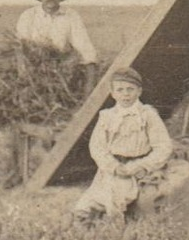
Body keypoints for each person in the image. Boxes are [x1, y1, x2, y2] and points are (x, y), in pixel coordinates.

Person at [72, 67, 173, 226]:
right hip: (112, 169)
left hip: (136, 170)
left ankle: (117, 234)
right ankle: (87, 230)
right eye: (120, 90)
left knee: (114, 201)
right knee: (85, 205)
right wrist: (111, 166)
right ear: (112, 93)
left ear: (139, 91)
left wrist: (141, 166)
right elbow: (97, 147)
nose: (125, 94)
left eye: (130, 89)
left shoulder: (147, 115)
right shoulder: (107, 116)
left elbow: (163, 147)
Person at [17, 0, 99, 68]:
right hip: (34, 65)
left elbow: (83, 45)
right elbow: (21, 46)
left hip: (62, 65)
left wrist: (90, 64)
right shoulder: (28, 15)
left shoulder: (71, 16)